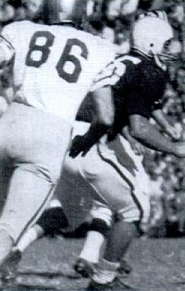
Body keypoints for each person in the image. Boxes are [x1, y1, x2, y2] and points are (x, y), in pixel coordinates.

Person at [0, 0, 116, 273]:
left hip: (10, 120)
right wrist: (86, 140)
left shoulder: (21, 29)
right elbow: (106, 116)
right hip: (50, 133)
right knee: (9, 226)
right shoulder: (100, 48)